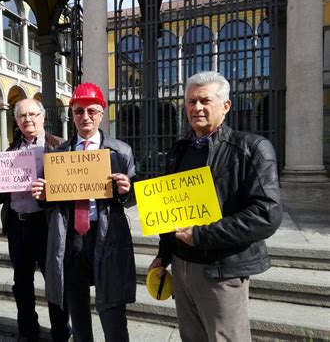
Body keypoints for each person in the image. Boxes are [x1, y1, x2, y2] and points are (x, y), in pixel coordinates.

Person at [149, 71, 282, 341]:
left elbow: (267, 214)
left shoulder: (252, 148)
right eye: (190, 101)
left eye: (204, 100)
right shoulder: (179, 150)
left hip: (222, 269)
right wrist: (164, 254)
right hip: (181, 265)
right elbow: (170, 207)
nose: (196, 107)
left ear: (226, 106)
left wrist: (202, 235)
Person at [32, 83, 137, 342]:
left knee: (113, 316)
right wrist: (43, 197)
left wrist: (126, 190)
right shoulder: (58, 154)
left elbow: (132, 198)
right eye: (79, 111)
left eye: (92, 110)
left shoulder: (120, 151)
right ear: (72, 114)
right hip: (71, 241)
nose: (85, 117)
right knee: (77, 314)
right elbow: (50, 199)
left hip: (107, 238)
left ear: (102, 113)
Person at [0, 98, 71, 342]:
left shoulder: (60, 147)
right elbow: (3, 194)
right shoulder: (10, 150)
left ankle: (61, 332)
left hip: (46, 224)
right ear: (16, 120)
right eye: (22, 115)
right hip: (18, 225)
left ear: (42, 117)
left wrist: (47, 193)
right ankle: (27, 331)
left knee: (54, 282)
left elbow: (68, 191)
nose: (27, 119)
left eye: (32, 114)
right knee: (21, 283)